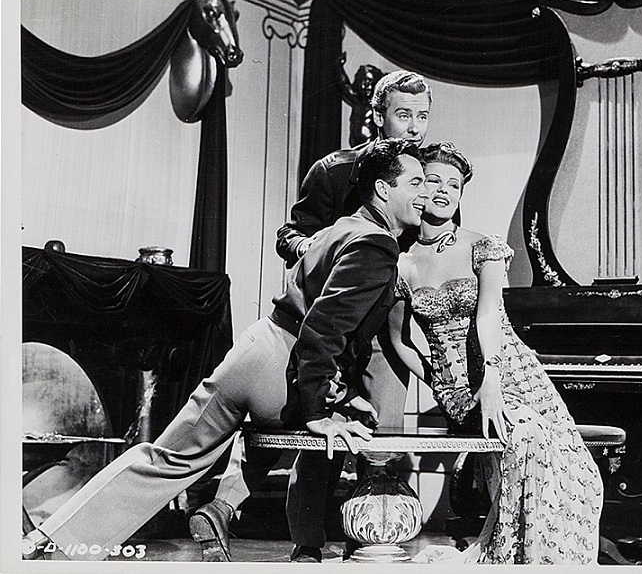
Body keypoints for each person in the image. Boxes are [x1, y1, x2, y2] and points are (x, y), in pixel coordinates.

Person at [21, 138, 428, 561]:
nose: (424, 193)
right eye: (415, 183)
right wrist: (318, 412)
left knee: (165, 458)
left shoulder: (342, 226)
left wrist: (338, 396)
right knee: (333, 431)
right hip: (283, 369)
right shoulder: (377, 246)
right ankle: (303, 543)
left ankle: (51, 543)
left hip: (253, 350)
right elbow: (324, 329)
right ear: (383, 189)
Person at [190, 69, 434, 563]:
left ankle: (369, 544)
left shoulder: (426, 178)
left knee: (377, 442)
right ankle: (306, 546)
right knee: (311, 420)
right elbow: (291, 234)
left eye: (422, 116)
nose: (413, 127)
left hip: (387, 328)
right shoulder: (334, 171)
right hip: (334, 314)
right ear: (377, 117)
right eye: (403, 115)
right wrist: (319, 253)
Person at [388, 142, 604, 564]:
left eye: (454, 185)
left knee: (573, 467)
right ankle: (512, 558)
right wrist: (437, 380)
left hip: (511, 371)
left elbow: (488, 313)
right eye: (433, 180)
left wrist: (490, 378)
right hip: (460, 390)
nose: (443, 191)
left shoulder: (482, 247)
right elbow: (399, 341)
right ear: (416, 188)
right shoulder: (402, 264)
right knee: (524, 438)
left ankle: (547, 560)